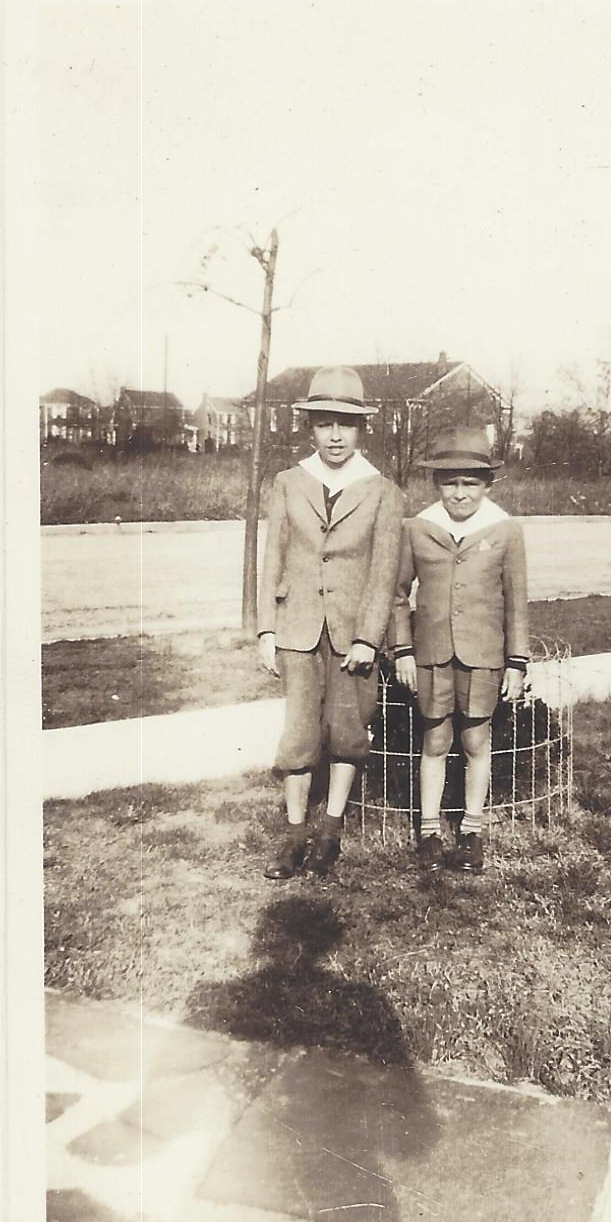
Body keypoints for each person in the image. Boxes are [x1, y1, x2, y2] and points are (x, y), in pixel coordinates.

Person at [257, 366, 405, 878]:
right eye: (325, 424)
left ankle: (330, 833)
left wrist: (368, 637)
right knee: (298, 734)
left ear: (361, 429)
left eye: (346, 424)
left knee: (347, 732)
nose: (335, 435)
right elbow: (271, 559)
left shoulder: (382, 491)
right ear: (311, 427)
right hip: (298, 627)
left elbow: (385, 571)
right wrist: (266, 629)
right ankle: (294, 835)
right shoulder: (287, 483)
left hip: (352, 637)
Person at [392, 427, 529, 874]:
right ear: (436, 483)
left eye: (471, 483)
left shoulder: (504, 529)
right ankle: (429, 832)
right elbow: (397, 593)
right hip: (432, 653)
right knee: (434, 739)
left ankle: (471, 830)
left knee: (475, 739)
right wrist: (403, 650)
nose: (460, 492)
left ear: (488, 485)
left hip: (484, 655)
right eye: (450, 482)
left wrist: (516, 661)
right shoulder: (418, 527)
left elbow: (516, 599)